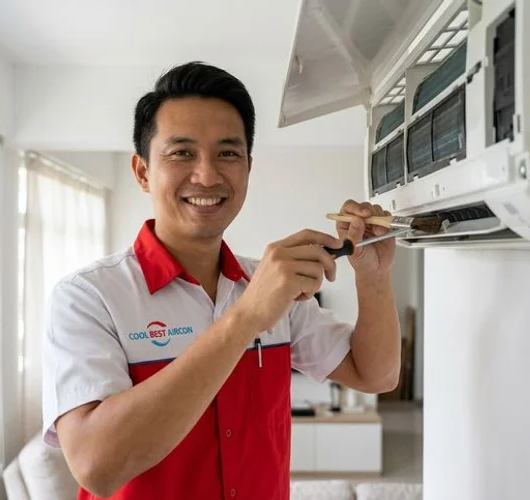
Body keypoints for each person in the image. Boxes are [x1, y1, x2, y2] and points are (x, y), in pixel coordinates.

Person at [42, 61, 401, 500]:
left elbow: (376, 375)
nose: (208, 175)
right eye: (182, 153)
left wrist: (374, 277)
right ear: (142, 172)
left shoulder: (270, 282)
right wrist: (247, 317)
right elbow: (97, 467)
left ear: (248, 167)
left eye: (228, 153)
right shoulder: (89, 297)